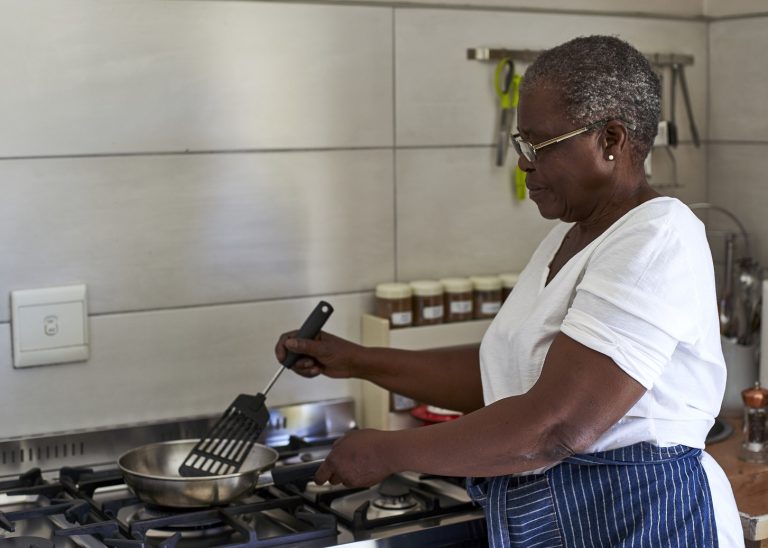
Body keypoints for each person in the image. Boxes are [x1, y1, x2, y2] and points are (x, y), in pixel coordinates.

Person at [275, 35, 742, 547]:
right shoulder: (570, 238)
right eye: (522, 144)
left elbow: (554, 426)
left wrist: (392, 450)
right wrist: (357, 360)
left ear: (611, 140)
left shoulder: (657, 236)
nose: (523, 163)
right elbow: (503, 378)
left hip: (645, 523)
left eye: (539, 146)